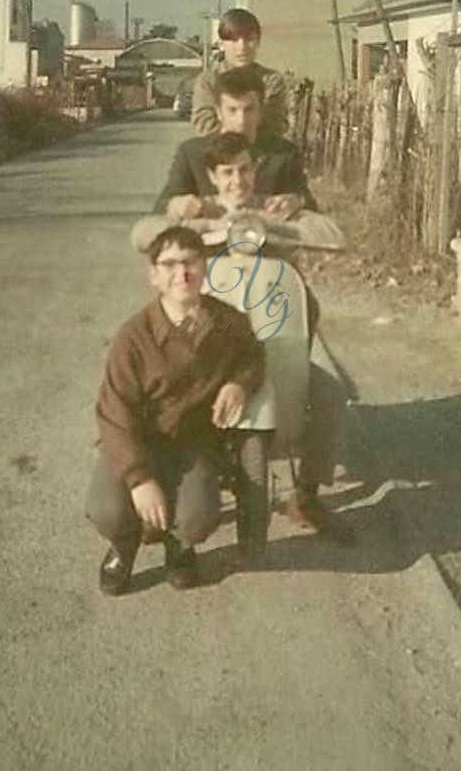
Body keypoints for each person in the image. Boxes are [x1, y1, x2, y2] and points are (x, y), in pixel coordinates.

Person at [133, 133, 356, 546]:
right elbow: (143, 235)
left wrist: (291, 214)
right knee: (169, 396)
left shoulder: (272, 208)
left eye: (245, 169)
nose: (238, 180)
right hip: (216, 336)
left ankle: (306, 494)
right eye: (228, 172)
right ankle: (158, 492)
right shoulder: (203, 214)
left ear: (255, 171)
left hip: (272, 329)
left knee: (329, 395)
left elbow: (336, 236)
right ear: (213, 177)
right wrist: (185, 216)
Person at [86, 225, 265, 595]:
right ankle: (124, 544)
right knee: (107, 509)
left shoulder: (228, 321)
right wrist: (139, 479)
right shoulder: (133, 336)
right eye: (168, 265)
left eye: (190, 262)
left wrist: (239, 384)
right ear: (154, 276)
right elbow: (113, 411)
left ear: (204, 267)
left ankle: (179, 548)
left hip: (192, 444)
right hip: (138, 441)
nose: (181, 274)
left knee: (197, 517)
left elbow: (253, 356)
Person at [153, 65, 316, 217]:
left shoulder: (282, 155)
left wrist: (295, 202)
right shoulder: (192, 154)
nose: (241, 120)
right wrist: (176, 205)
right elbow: (160, 208)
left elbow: (309, 205)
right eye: (232, 110)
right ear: (218, 112)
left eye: (249, 109)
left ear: (260, 111)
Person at [191, 8, 287, 138]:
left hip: (262, 152)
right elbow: (204, 123)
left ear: (258, 42)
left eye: (249, 40)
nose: (242, 47)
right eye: (234, 40)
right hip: (219, 151)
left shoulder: (271, 80)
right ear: (221, 43)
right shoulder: (208, 80)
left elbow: (276, 123)